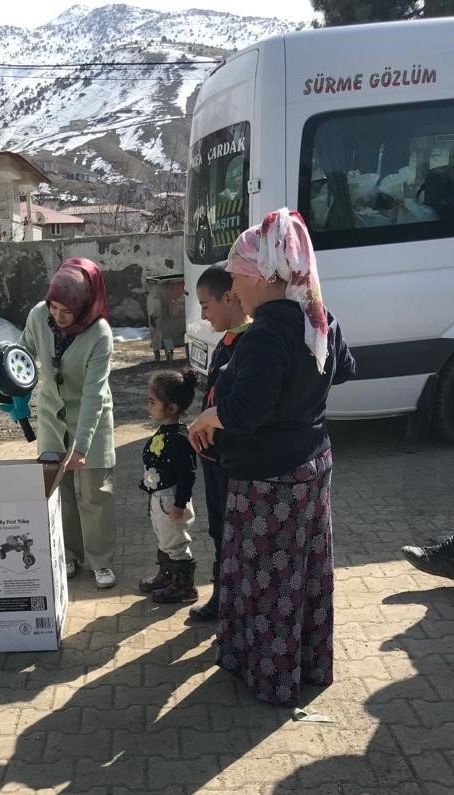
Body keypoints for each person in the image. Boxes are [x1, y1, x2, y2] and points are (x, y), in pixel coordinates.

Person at [188, 208, 356, 707]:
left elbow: (247, 412)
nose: (234, 289)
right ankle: (307, 667)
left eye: (238, 275)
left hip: (269, 480)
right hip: (312, 463)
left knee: (269, 581)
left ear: (264, 274)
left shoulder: (265, 332)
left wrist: (208, 417)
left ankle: (269, 678)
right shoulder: (317, 318)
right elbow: (343, 369)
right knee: (303, 574)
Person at [20, 258, 117, 589]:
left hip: (91, 417)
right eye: (53, 308)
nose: (58, 317)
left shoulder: (99, 334)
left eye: (66, 311)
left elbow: (94, 394)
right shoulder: (38, 316)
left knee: (95, 493)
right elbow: (23, 352)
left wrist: (82, 447)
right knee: (57, 490)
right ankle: (70, 555)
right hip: (51, 414)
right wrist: (12, 382)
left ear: (85, 306)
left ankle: (101, 561)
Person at [189, 264, 250, 622]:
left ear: (230, 297)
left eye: (205, 305)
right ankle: (222, 593)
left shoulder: (251, 343)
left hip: (234, 462)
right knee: (218, 530)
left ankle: (235, 599)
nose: (202, 314)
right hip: (214, 460)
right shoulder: (225, 340)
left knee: (234, 532)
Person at [138, 370, 199, 603]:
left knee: (176, 541)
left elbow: (188, 474)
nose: (148, 407)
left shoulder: (180, 439)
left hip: (170, 500)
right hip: (159, 498)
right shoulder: (166, 431)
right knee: (165, 539)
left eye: (153, 402)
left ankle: (184, 587)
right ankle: (167, 576)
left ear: (171, 408)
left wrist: (179, 504)